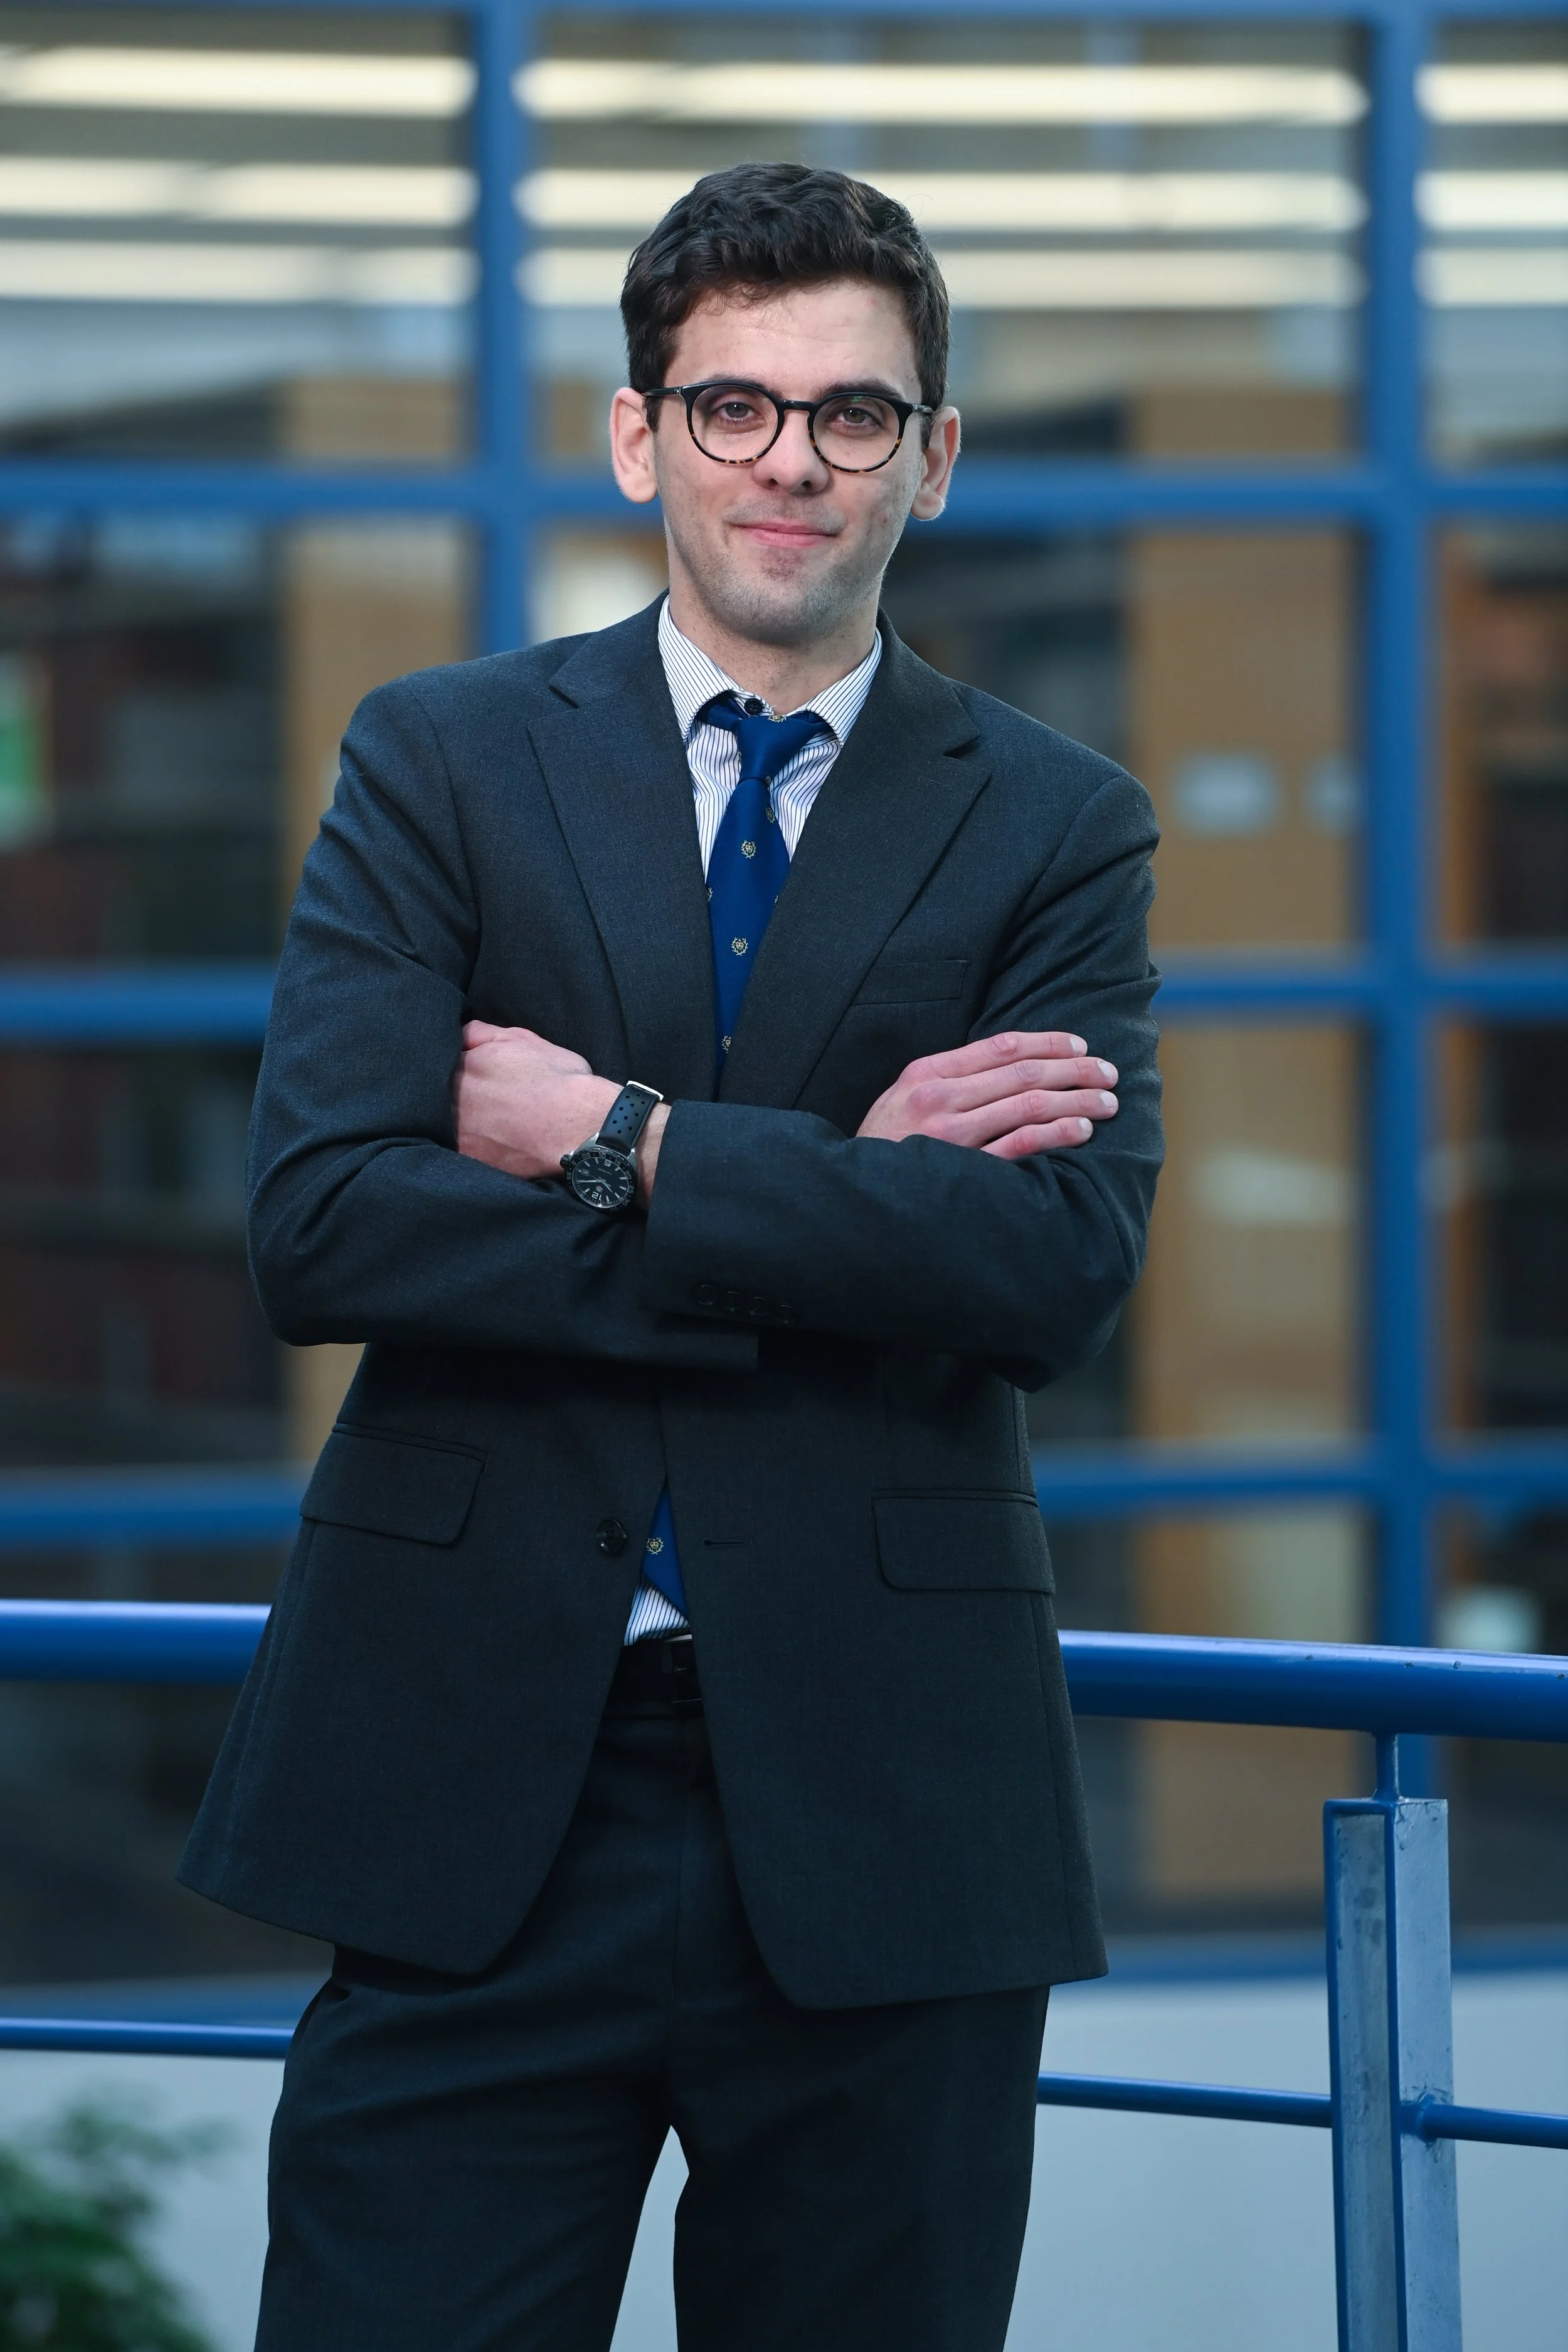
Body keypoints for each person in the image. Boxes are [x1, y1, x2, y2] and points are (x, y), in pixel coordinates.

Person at [180, 161, 1162, 2352]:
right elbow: (325, 1221)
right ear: (640, 437)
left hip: (888, 1797)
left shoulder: (1053, 821)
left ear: (932, 455)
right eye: (733, 404)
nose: (789, 459)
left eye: (850, 411)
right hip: (470, 1784)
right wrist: (840, 1204)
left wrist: (615, 1142)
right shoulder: (441, 759)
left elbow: (1043, 1268)